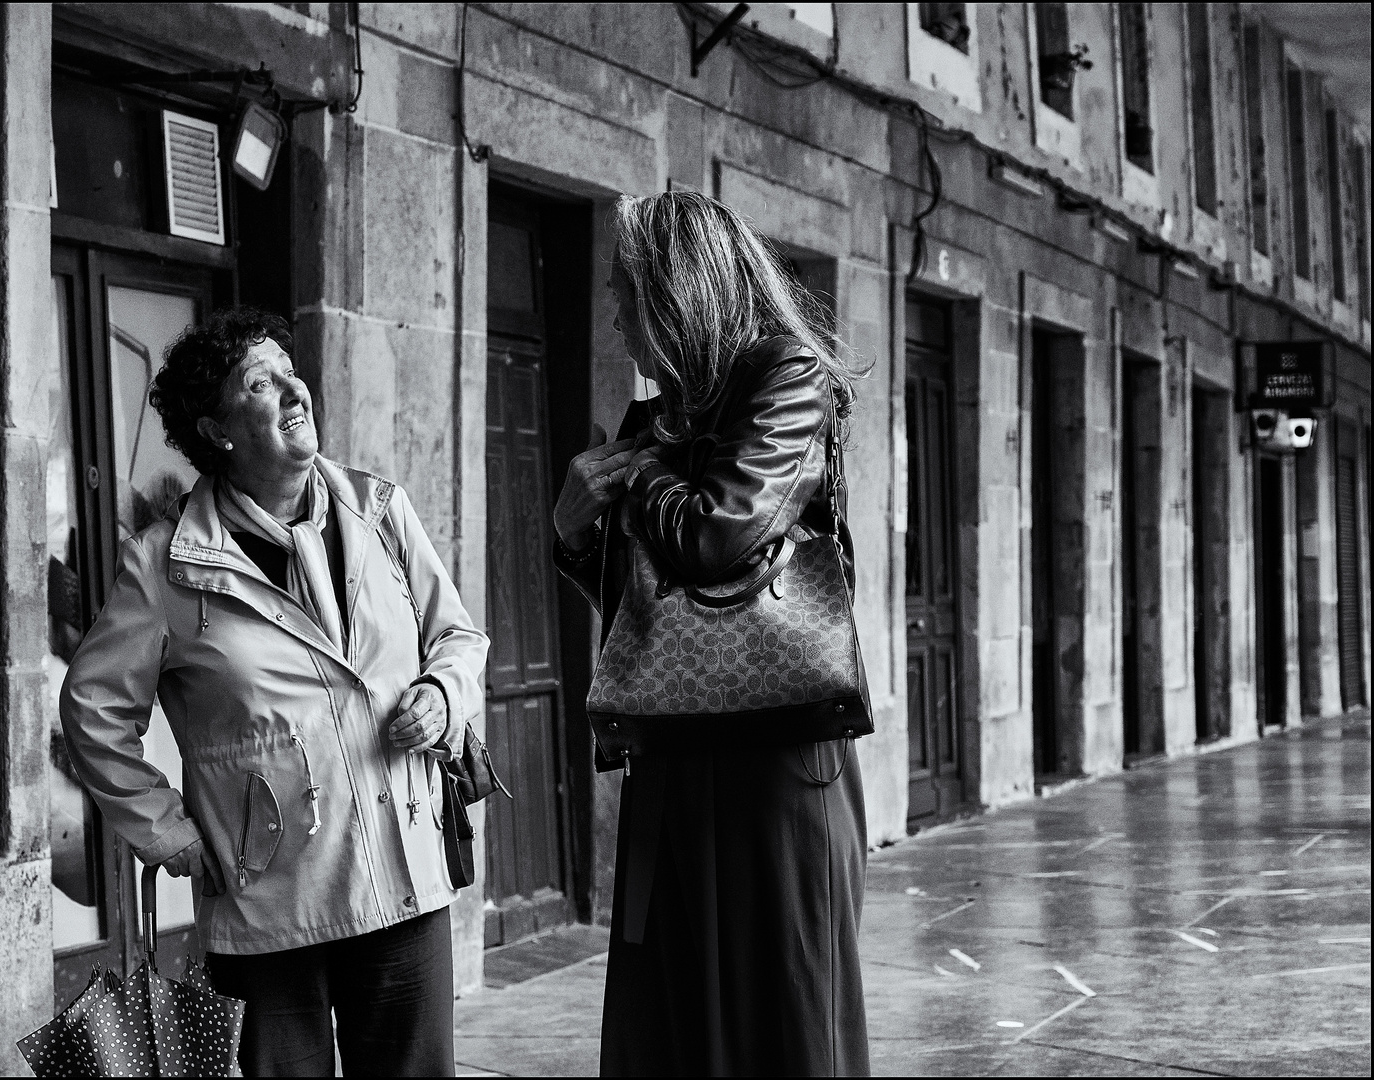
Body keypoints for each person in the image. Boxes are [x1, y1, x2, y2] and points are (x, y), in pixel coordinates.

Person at [59, 307, 488, 1077]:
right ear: (218, 430)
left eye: (292, 370)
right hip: (268, 907)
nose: (295, 389)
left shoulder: (381, 511)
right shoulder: (167, 565)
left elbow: (457, 637)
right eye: (262, 381)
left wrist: (443, 694)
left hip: (401, 881)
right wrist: (170, 834)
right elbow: (93, 710)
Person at [553, 192, 871, 1076]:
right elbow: (635, 605)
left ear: (673, 288)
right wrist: (573, 527)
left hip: (775, 761)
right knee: (673, 1028)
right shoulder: (652, 417)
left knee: (783, 1022)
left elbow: (716, 535)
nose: (613, 312)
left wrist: (643, 476)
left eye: (623, 288)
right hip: (672, 757)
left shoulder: (786, 378)